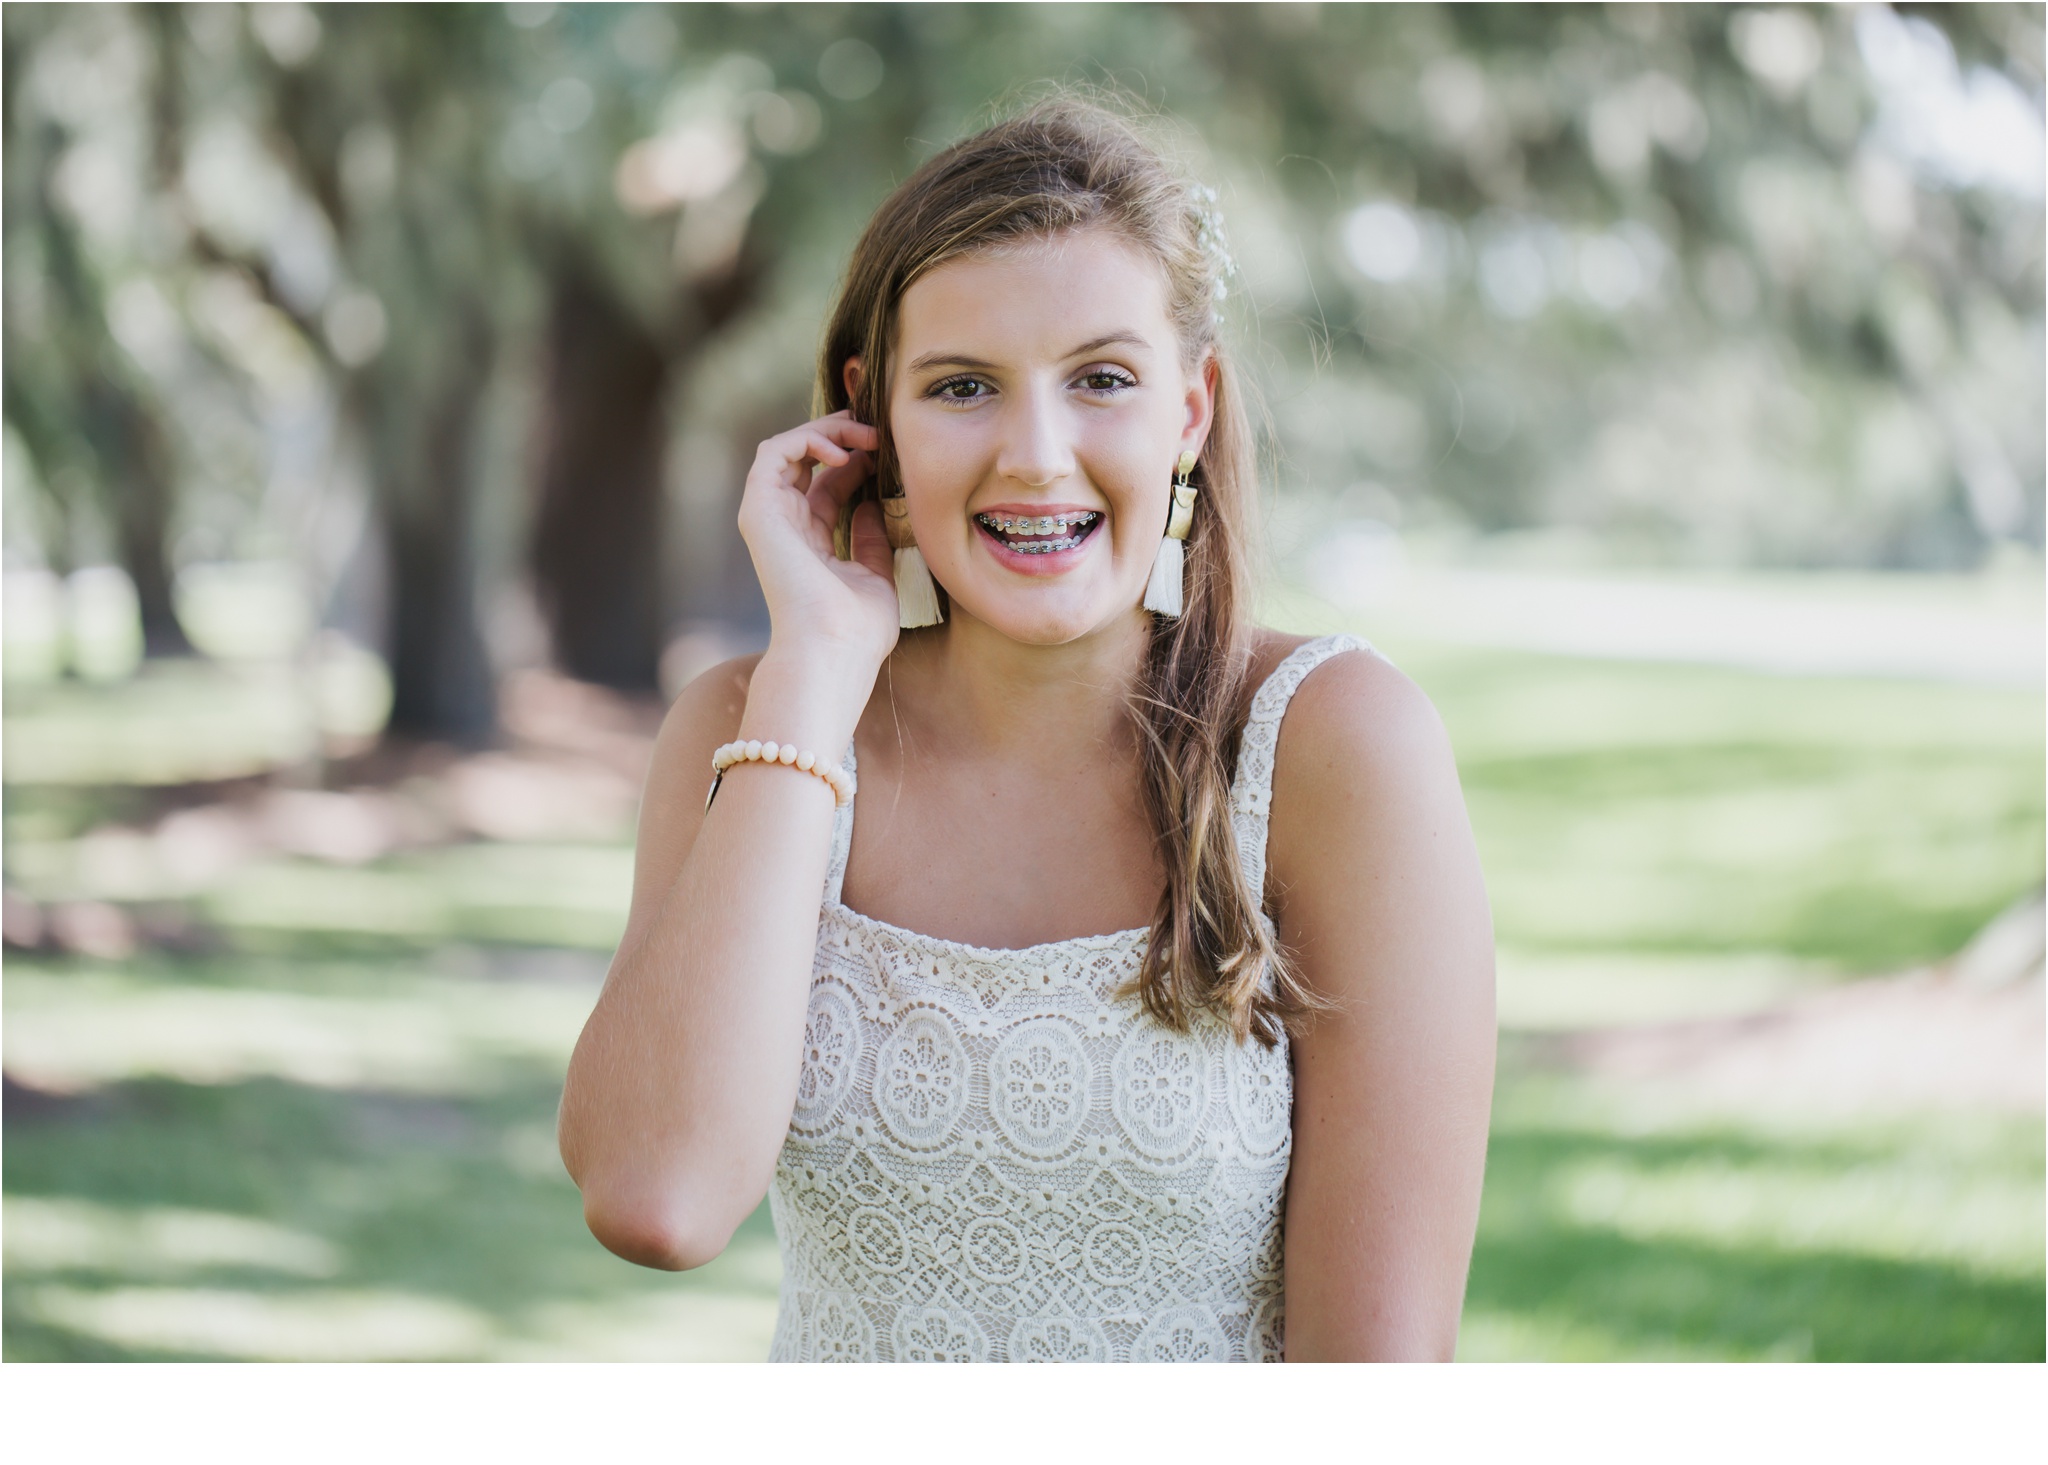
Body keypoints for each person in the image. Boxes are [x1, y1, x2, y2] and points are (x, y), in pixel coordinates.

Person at [558, 98, 1496, 1363]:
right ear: (867, 415)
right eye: (961, 387)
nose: (1036, 457)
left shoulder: (1330, 743)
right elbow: (654, 1195)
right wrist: (817, 670)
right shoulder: (750, 724)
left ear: (1189, 409)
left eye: (1101, 379)